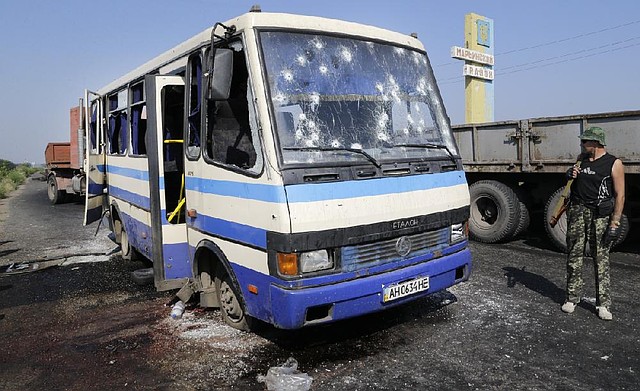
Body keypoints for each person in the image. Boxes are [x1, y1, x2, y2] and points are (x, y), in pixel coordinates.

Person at [561, 126, 625, 321]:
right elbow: (573, 182)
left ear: (595, 143)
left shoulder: (613, 163)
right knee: (574, 255)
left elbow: (620, 195)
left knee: (601, 259)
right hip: (578, 212)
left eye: (584, 141)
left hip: (599, 215)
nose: (581, 144)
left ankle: (603, 304)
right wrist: (570, 173)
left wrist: (614, 223)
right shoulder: (581, 159)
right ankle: (572, 298)